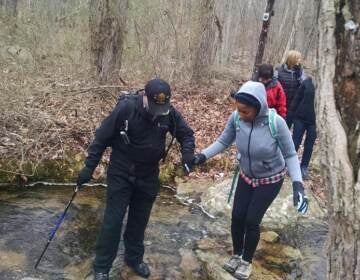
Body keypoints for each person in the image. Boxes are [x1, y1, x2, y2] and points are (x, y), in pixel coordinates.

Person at [76, 79, 195, 280]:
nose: (159, 111)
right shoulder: (126, 108)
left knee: (139, 221)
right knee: (113, 222)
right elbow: (101, 138)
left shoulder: (168, 112)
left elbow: (186, 134)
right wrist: (89, 167)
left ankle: (133, 259)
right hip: (121, 173)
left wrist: (187, 155)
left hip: (149, 175)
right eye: (156, 106)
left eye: (163, 107)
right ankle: (102, 267)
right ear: (145, 98)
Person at [194, 81, 309, 279]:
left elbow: (290, 154)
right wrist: (201, 156)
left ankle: (246, 261)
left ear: (259, 107)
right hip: (246, 175)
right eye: (238, 110)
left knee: (251, 220)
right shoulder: (236, 118)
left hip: (270, 179)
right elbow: (223, 141)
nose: (241, 114)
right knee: (237, 216)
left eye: (245, 111)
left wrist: (298, 185)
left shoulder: (276, 123)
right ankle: (237, 255)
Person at [291, 76, 317, 180]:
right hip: (300, 118)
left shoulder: (325, 86)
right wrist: (291, 115)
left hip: (314, 122)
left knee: (309, 145)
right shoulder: (307, 82)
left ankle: (304, 167)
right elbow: (297, 98)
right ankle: (290, 164)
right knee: (295, 142)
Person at [275, 50, 306, 128]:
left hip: (293, 106)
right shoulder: (278, 70)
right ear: (292, 59)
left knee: (287, 127)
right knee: (277, 126)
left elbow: (304, 85)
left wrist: (299, 74)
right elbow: (273, 85)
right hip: (280, 105)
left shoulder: (300, 71)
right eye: (298, 58)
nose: (300, 60)